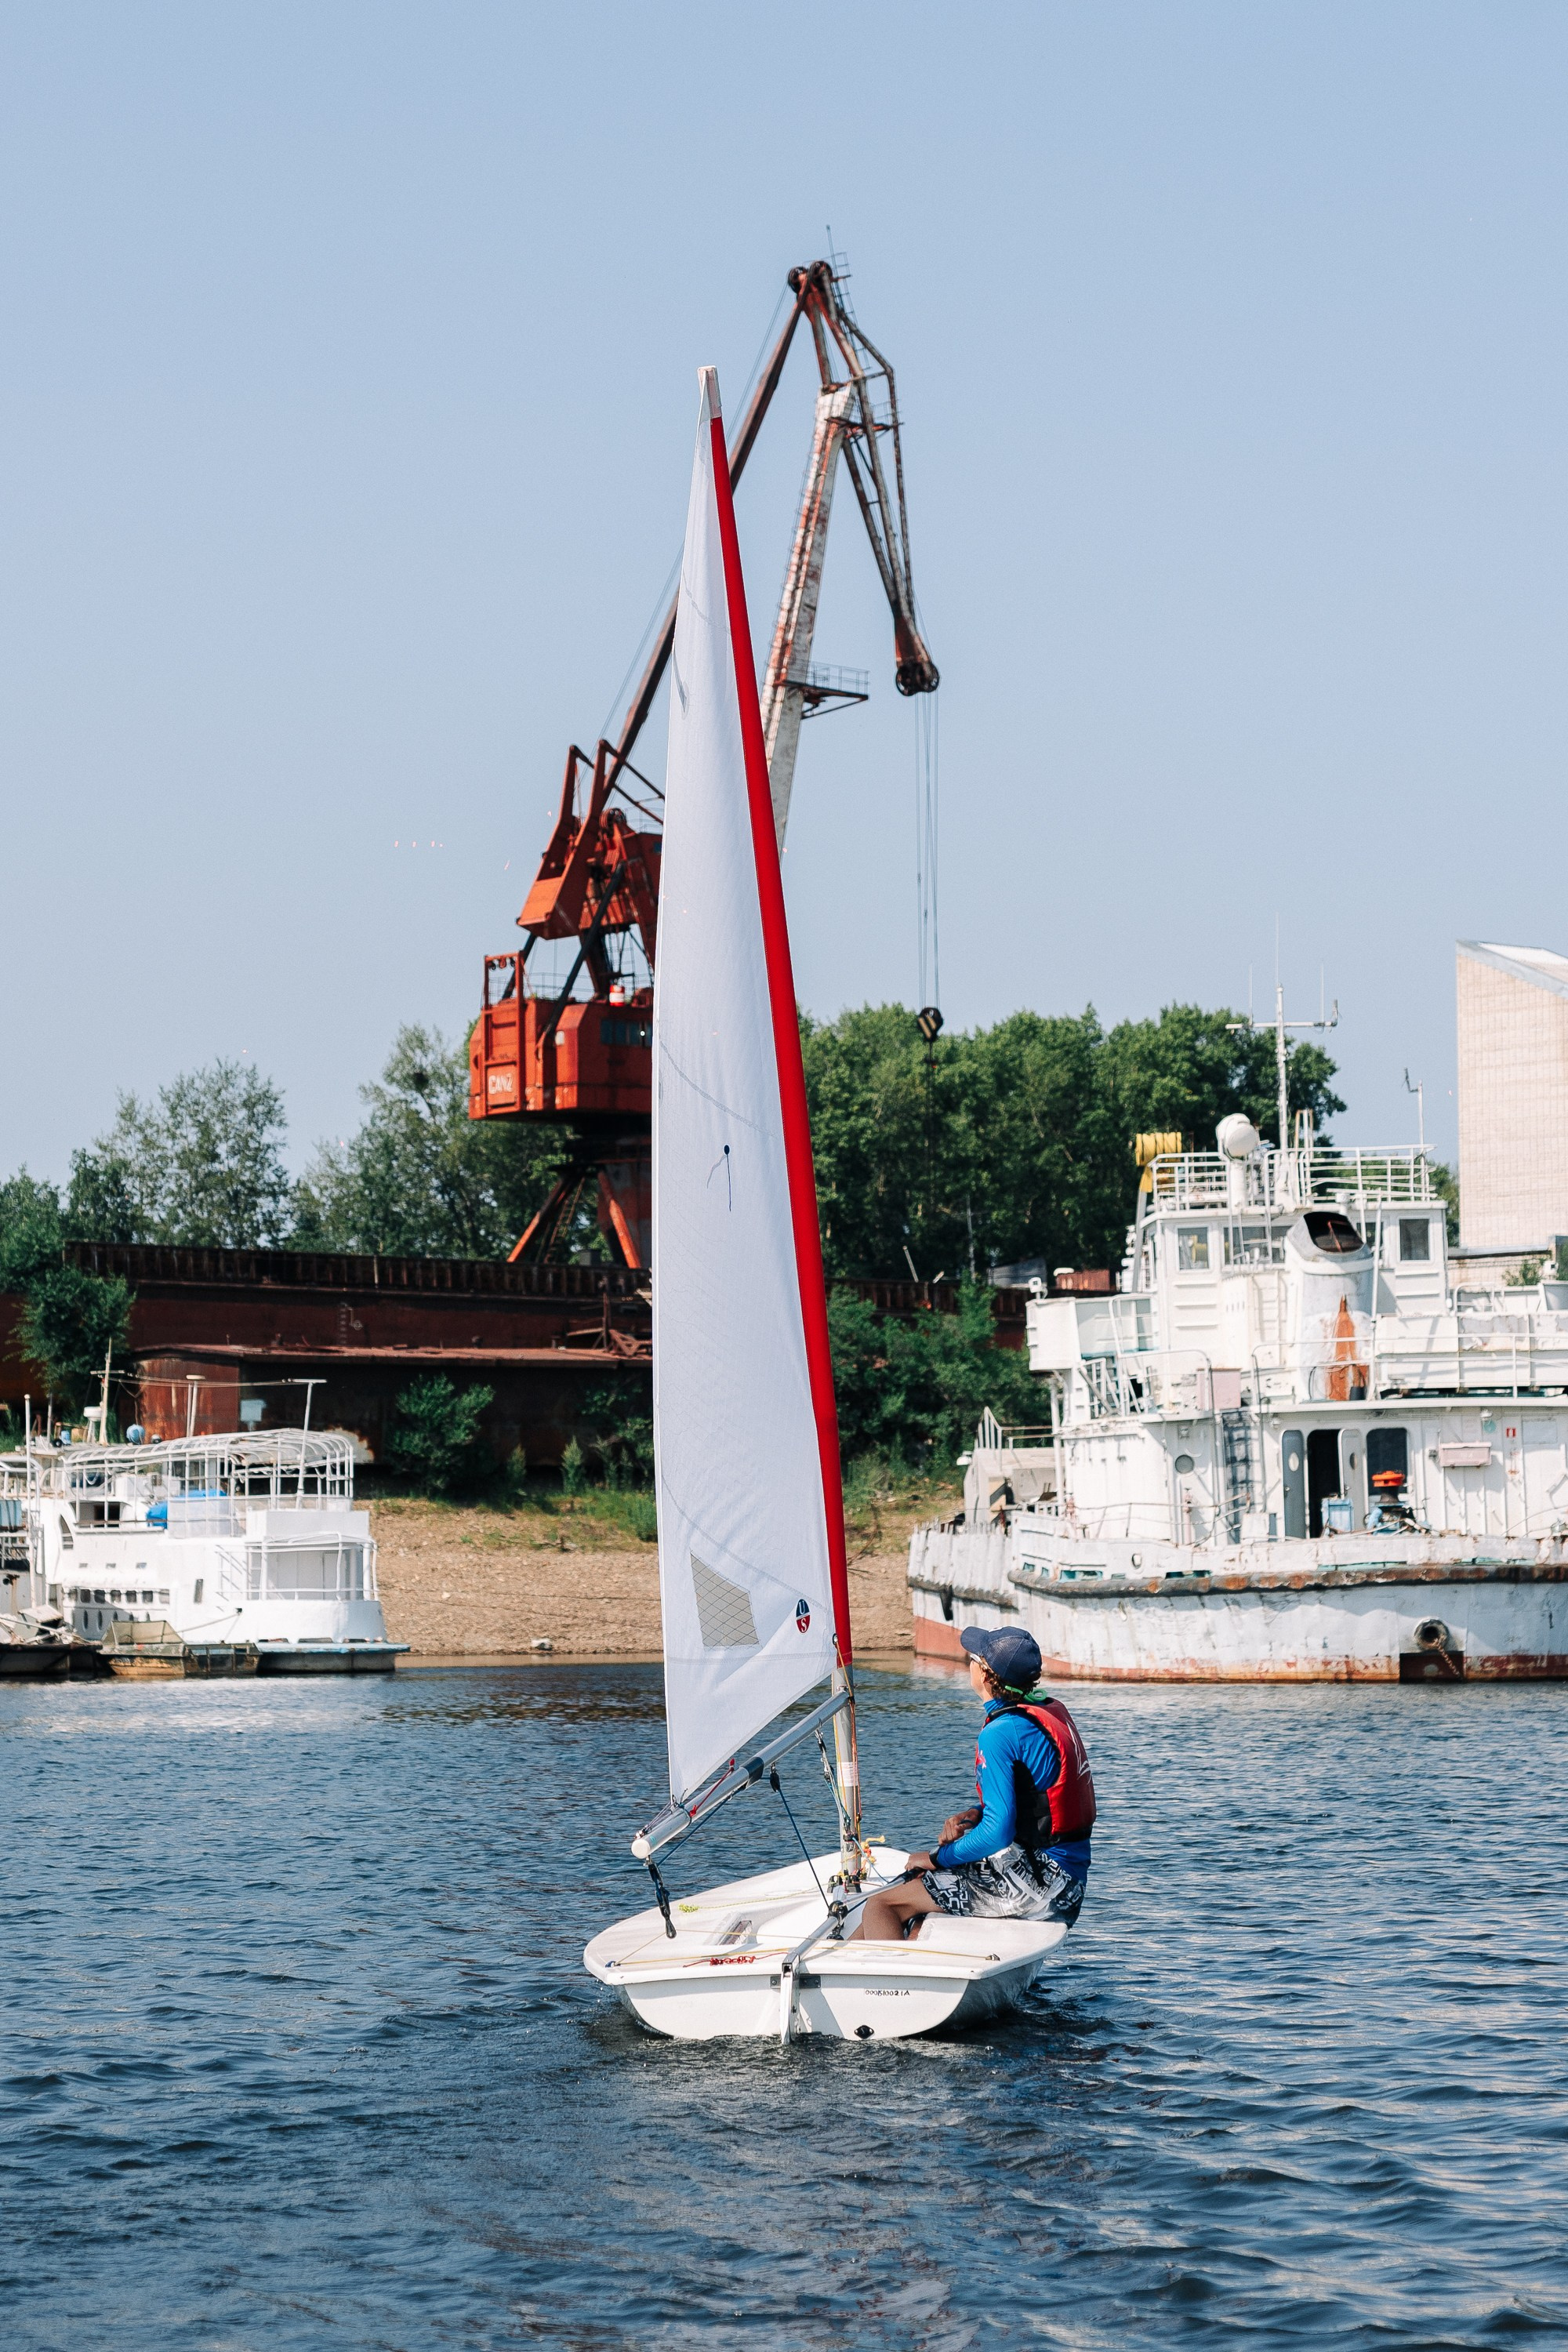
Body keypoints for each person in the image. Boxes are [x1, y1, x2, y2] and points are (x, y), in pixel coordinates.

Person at [851, 1624, 1095, 1944]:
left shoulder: (1001, 1732)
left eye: (973, 1658)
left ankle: (884, 1991)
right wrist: (975, 1813)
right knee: (919, 1904)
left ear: (986, 1674)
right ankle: (842, 1968)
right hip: (1067, 1879)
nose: (969, 1664)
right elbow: (1035, 1799)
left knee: (883, 1904)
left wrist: (938, 1857)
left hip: (1042, 1883)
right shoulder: (1043, 1712)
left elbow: (998, 1833)